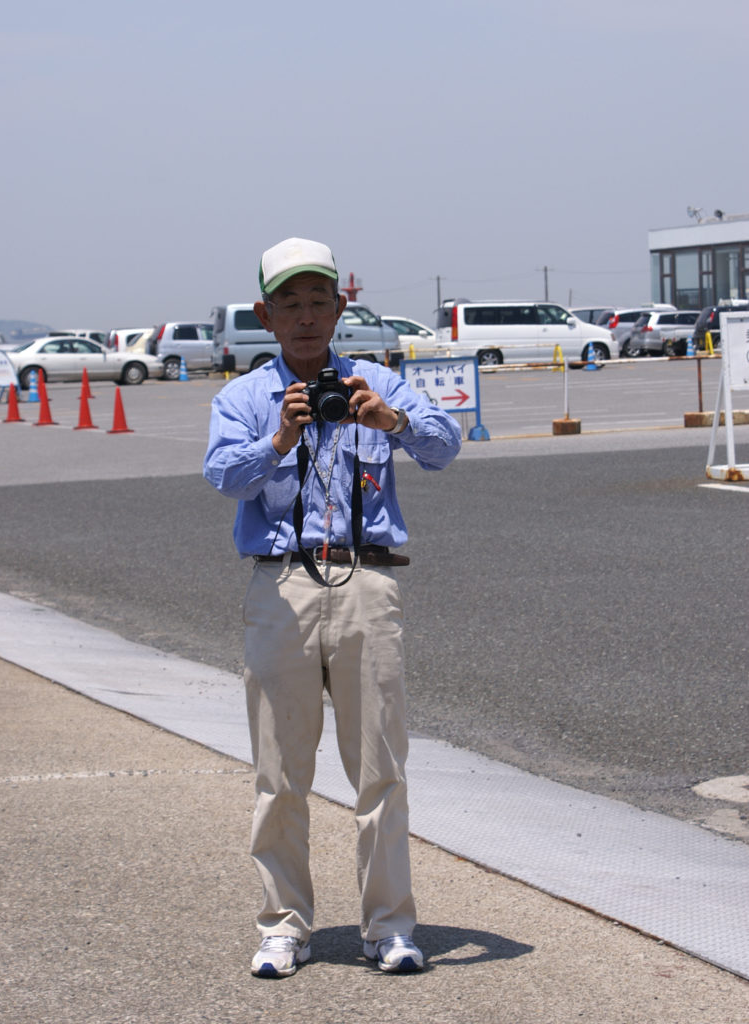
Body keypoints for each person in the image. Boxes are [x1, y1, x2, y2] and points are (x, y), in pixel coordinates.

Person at [203, 237, 461, 977]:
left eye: (319, 301)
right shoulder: (245, 396)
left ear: (341, 307)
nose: (306, 317)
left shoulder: (377, 381)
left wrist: (393, 422)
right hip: (279, 583)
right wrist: (279, 437)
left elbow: (446, 448)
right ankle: (283, 925)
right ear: (266, 315)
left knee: (380, 765)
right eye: (290, 304)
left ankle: (389, 926)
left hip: (367, 580)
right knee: (278, 769)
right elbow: (222, 476)